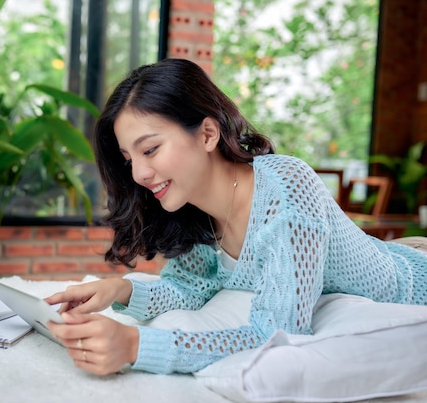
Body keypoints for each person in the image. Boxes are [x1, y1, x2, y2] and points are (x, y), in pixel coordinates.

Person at [45, 57, 427, 376]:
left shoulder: (286, 189)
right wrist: (120, 290)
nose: (139, 175)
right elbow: (191, 288)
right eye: (129, 160)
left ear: (208, 133)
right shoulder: (192, 209)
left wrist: (136, 345)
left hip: (415, 282)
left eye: (151, 150)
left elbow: (278, 334)